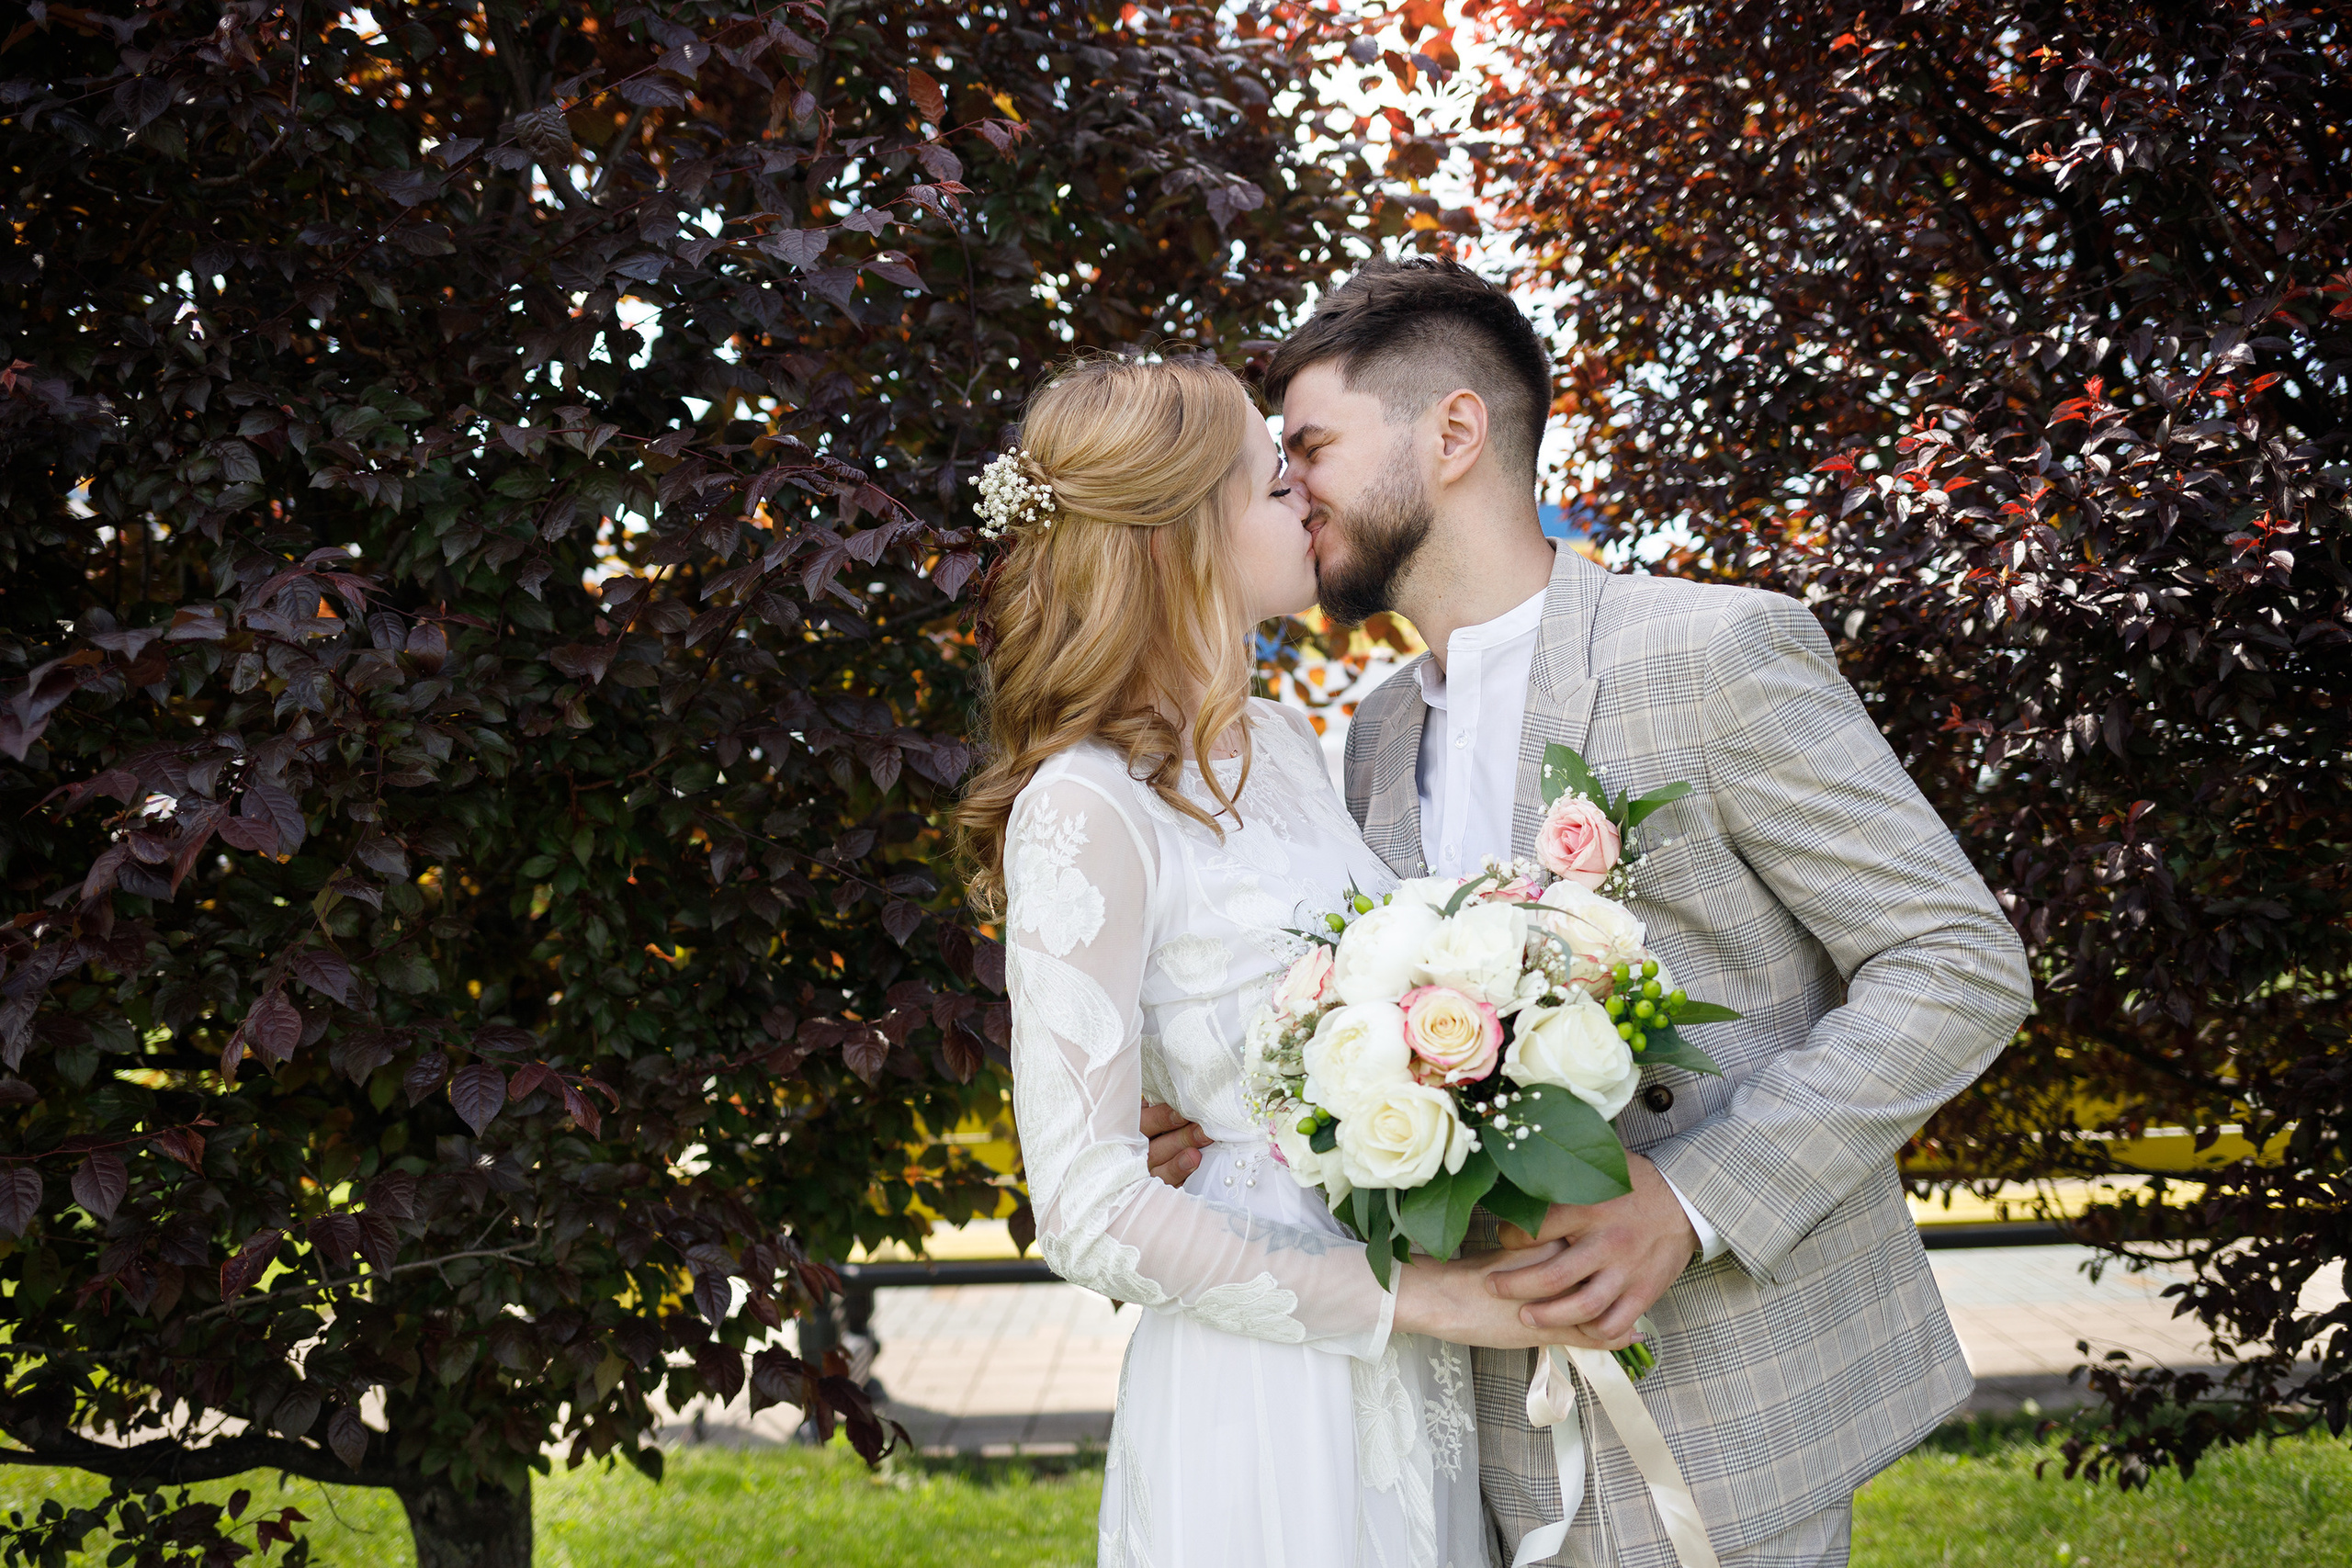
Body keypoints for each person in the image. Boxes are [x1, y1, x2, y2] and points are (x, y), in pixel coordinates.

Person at [1144, 258, 2032, 1568]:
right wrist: (1232, 1115)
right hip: (1467, 1423)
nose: (1290, 490)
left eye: (1313, 447)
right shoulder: (1373, 737)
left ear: (1453, 432)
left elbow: (1956, 961)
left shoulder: (1714, 652)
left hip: (1733, 1410)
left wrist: (1692, 1199)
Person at [957, 354, 1595, 1568]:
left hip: (1410, 1354)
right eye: (1269, 485)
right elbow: (1089, 1211)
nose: (1307, 500)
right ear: (1174, 540)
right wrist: (1420, 1302)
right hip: (1268, 1385)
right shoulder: (1085, 806)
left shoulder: (1287, 747)